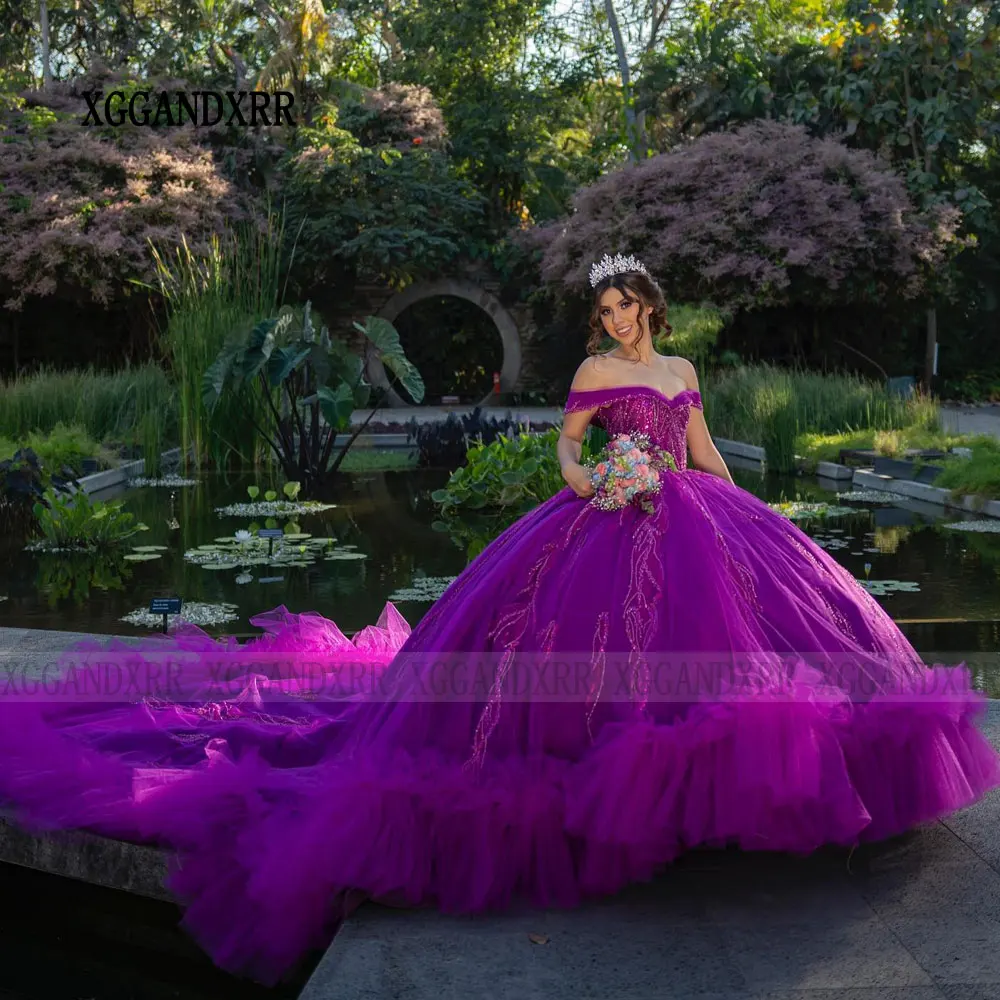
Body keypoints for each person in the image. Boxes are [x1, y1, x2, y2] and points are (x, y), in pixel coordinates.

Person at [1, 253, 998, 986]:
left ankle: (724, 809)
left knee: (748, 666)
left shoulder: (680, 370)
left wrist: (755, 524)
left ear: (647, 306)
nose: (608, 321)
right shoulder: (596, 380)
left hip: (695, 520)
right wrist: (600, 477)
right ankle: (631, 813)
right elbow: (564, 456)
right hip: (601, 517)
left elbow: (708, 459)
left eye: (620, 306)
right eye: (599, 310)